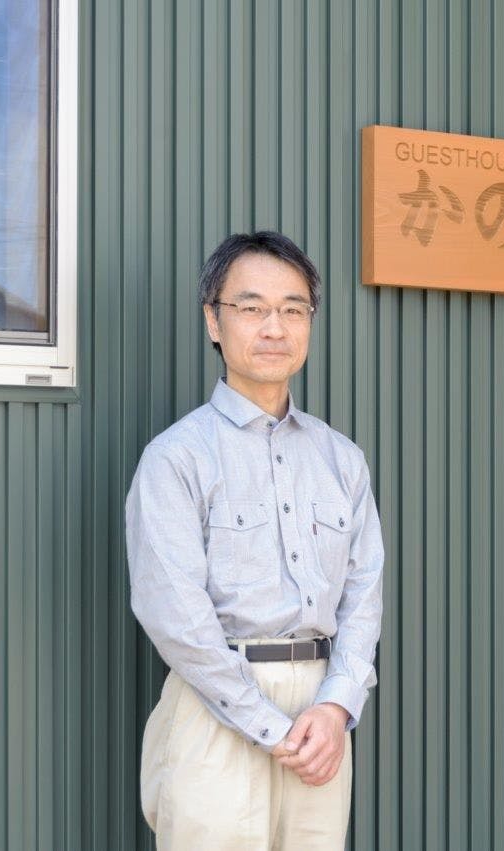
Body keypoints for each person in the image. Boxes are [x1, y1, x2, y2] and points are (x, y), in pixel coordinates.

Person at [126, 231, 384, 849]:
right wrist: (268, 724)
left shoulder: (342, 459)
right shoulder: (177, 458)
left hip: (320, 720)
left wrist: (338, 706)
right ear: (214, 321)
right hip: (217, 706)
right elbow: (176, 617)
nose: (275, 327)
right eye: (252, 307)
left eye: (293, 309)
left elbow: (363, 596)